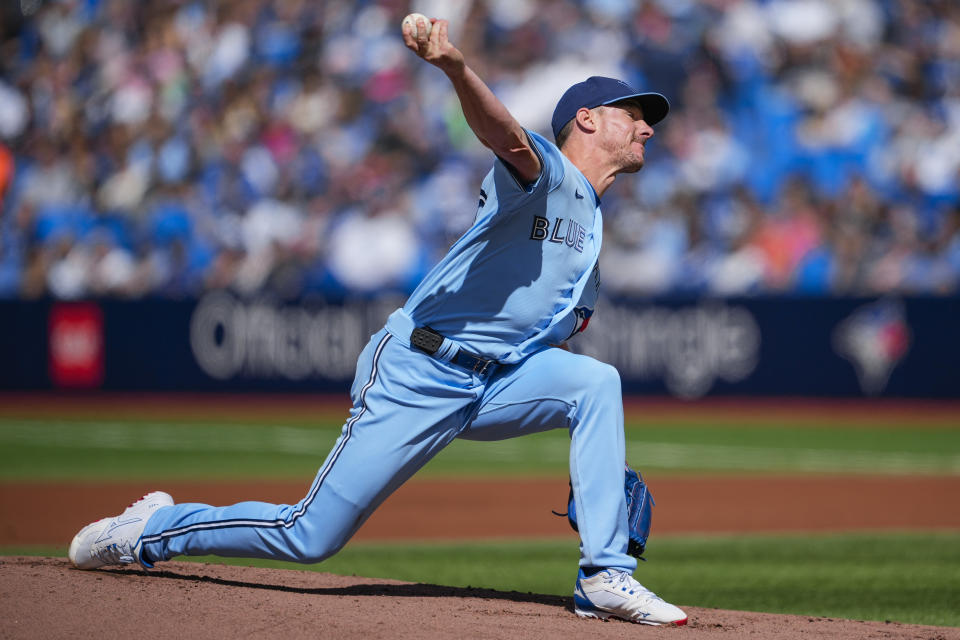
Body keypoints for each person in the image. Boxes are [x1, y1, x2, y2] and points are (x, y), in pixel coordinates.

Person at [68, 16, 687, 626]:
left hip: (491, 383)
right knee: (309, 536)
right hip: (419, 369)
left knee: (596, 384)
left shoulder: (592, 241)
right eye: (633, 113)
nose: (645, 129)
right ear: (586, 118)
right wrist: (455, 68)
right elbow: (507, 137)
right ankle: (150, 530)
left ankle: (604, 574)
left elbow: (540, 341)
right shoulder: (548, 174)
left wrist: (597, 475)